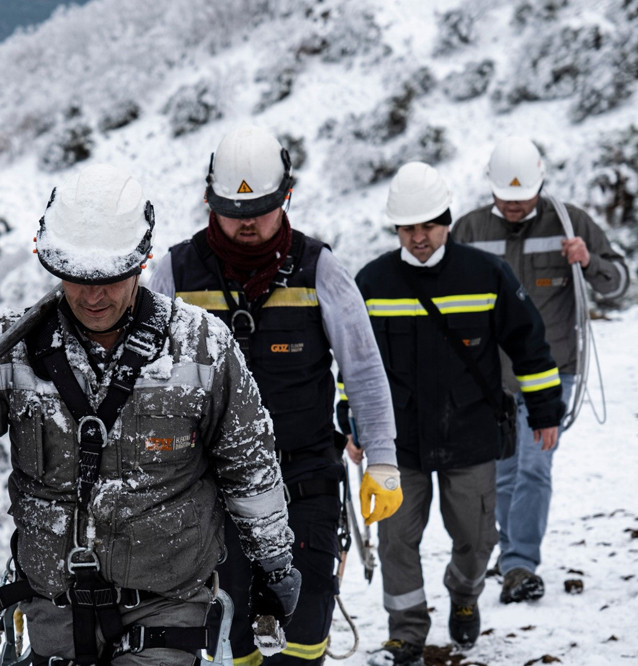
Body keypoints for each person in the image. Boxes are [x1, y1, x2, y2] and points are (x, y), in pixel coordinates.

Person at [0, 163, 301, 665]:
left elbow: (249, 468)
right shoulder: (4, 350)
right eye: (77, 279)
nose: (93, 295)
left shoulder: (202, 347)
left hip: (168, 607)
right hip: (52, 611)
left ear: (142, 260)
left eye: (110, 278)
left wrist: (273, 567)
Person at [149, 125, 403, 666]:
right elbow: (141, 383)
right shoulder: (174, 274)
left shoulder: (321, 271)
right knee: (228, 641)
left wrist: (382, 459)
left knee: (302, 641)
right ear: (208, 199)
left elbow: (363, 371)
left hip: (304, 486)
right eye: (232, 210)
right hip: (208, 493)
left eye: (260, 209)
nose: (246, 223)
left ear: (285, 196)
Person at [355, 162, 565, 666]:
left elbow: (529, 344)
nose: (418, 237)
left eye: (428, 225)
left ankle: (465, 595)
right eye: (407, 227)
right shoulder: (373, 282)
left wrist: (545, 410)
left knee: (476, 536)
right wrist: (354, 420)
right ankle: (405, 633)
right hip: (397, 441)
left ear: (446, 221)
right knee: (396, 541)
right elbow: (356, 364)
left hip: (470, 432)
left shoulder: (486, 274)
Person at [453, 136, 629, 604]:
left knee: (534, 467)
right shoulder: (468, 230)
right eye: (505, 197)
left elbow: (618, 283)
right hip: (490, 379)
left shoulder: (570, 224)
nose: (514, 205)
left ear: (541, 184)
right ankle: (512, 558)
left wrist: (589, 262)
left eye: (523, 196)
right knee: (504, 474)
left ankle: (519, 565)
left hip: (553, 372)